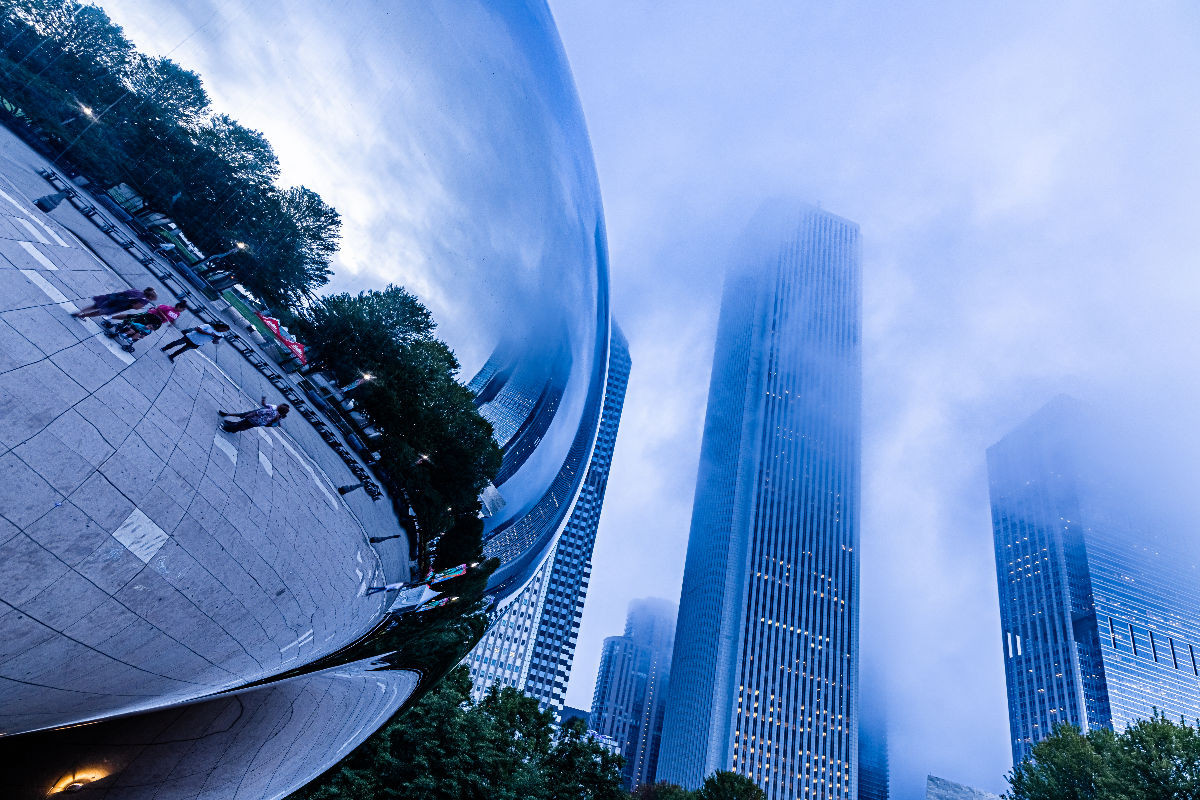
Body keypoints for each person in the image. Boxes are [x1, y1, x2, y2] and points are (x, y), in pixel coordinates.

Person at [161, 322, 230, 361]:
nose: (223, 331)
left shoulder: (221, 335)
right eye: (223, 329)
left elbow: (215, 342)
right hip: (190, 337)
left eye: (225, 331)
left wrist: (216, 340)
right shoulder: (208, 326)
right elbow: (198, 329)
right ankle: (164, 348)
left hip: (197, 343)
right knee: (177, 343)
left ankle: (172, 356)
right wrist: (209, 334)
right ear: (220, 326)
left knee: (183, 350)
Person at [71, 287, 157, 318]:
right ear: (150, 297)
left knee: (95, 306)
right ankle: (83, 316)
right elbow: (135, 307)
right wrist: (140, 307)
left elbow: (126, 292)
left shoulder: (136, 291)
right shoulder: (144, 301)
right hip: (119, 305)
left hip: (113, 298)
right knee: (100, 312)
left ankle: (80, 312)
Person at [218, 397, 290, 433]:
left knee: (242, 424)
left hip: (254, 419)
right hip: (258, 423)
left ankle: (228, 429)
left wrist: (249, 415)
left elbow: (258, 413)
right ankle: (231, 426)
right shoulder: (278, 416)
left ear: (280, 406)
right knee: (243, 425)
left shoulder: (272, 410)